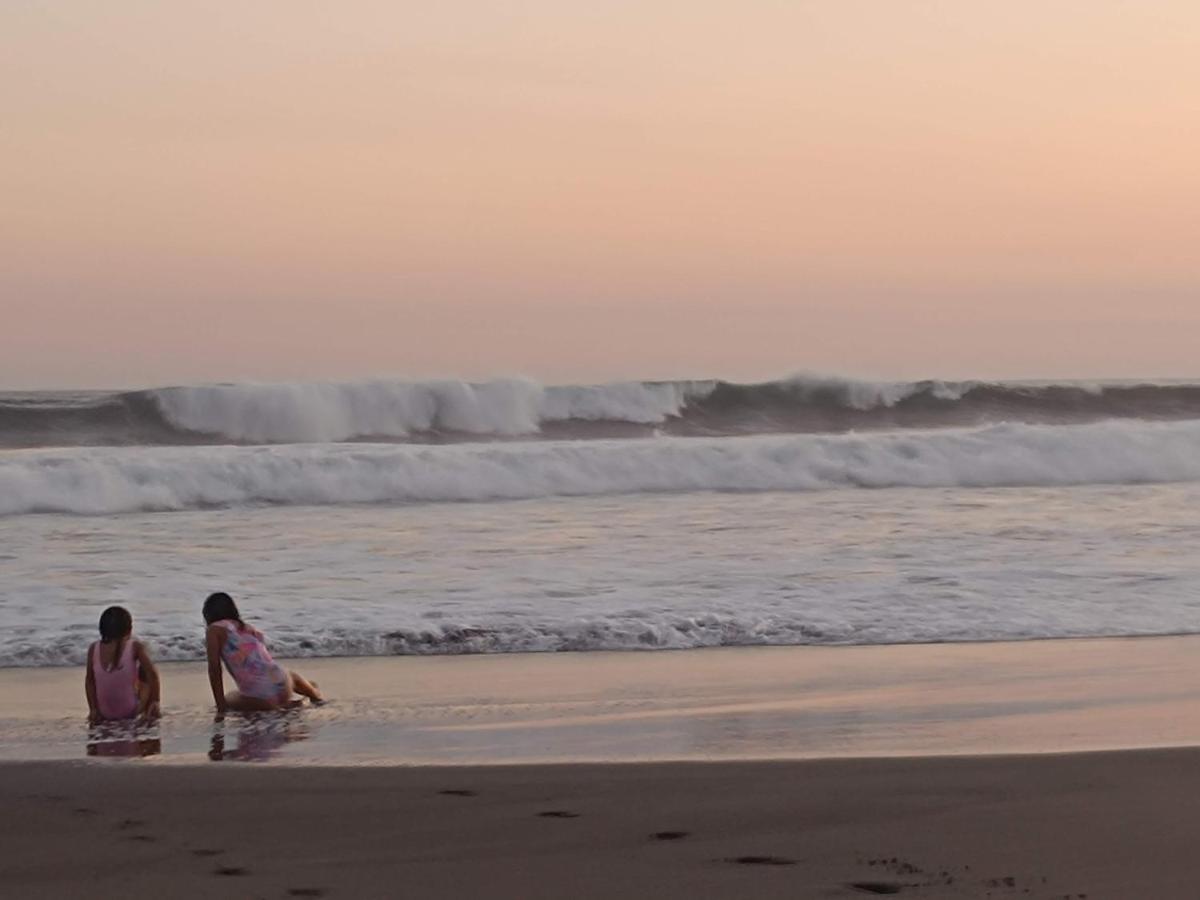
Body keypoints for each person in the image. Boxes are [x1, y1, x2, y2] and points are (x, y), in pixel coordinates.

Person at [203, 592, 323, 719]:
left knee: (230, 697)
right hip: (283, 682)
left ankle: (289, 706)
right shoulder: (247, 628)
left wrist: (221, 706)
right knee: (287, 674)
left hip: (261, 696)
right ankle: (312, 693)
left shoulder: (214, 630)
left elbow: (214, 668)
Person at [85, 606, 161, 724]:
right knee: (144, 670)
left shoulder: (93, 649)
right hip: (131, 711)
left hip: (104, 713)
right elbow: (152, 674)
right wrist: (155, 700)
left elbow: (90, 681)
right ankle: (148, 709)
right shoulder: (134, 646)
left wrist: (93, 709)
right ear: (129, 629)